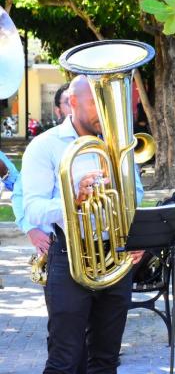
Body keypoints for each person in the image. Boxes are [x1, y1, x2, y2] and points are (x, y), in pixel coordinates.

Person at [21, 75, 144, 373]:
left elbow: (134, 195)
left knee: (106, 359)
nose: (104, 112)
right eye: (95, 103)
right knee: (65, 359)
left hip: (115, 256)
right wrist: (72, 200)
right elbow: (33, 209)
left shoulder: (117, 145)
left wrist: (138, 237)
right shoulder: (44, 146)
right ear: (72, 103)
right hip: (70, 257)